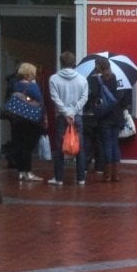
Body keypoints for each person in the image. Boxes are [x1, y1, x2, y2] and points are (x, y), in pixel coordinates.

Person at [48, 51, 89, 186]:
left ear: (61, 62)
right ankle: (81, 178)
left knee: (60, 147)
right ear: (73, 63)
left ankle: (59, 178)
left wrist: (66, 112)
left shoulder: (54, 79)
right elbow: (84, 98)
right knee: (80, 147)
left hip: (62, 116)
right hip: (76, 116)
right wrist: (73, 111)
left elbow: (55, 98)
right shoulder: (82, 79)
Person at [89, 57, 127, 182]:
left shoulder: (96, 79)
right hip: (117, 116)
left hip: (104, 117)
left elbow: (93, 98)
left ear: (99, 66)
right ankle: (115, 175)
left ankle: (107, 175)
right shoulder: (118, 79)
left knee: (107, 145)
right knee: (115, 144)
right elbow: (123, 100)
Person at [10, 63, 46, 181]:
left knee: (19, 145)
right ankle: (28, 172)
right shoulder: (32, 87)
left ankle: (21, 172)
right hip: (30, 120)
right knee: (28, 146)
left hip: (17, 119)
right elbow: (40, 101)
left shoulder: (15, 85)